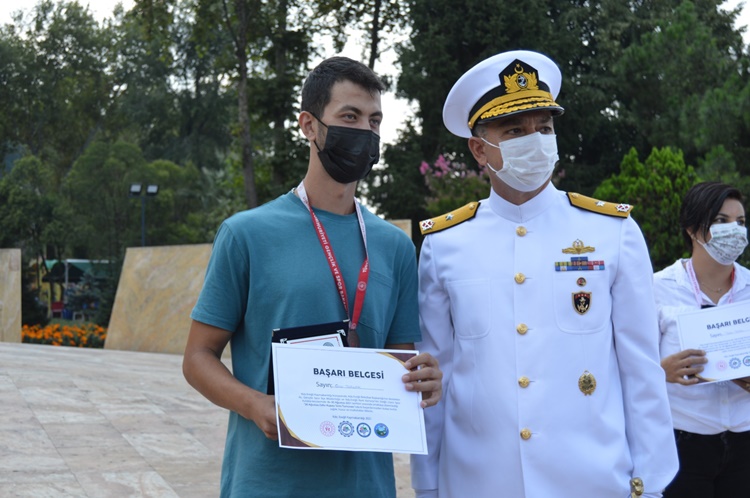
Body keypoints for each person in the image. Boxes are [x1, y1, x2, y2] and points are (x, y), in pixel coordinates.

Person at [410, 49, 678, 498]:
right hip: (480, 481)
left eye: (544, 128)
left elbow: (641, 369)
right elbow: (435, 374)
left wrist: (649, 483)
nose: (534, 140)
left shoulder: (612, 231)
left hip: (592, 479)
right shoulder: (445, 244)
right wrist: (428, 484)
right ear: (479, 149)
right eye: (515, 130)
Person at [183, 56, 442, 498]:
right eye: (350, 117)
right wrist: (255, 405)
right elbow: (197, 358)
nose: (365, 132)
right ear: (309, 125)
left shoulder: (395, 246)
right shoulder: (247, 234)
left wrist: (424, 379)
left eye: (374, 121)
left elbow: (401, 362)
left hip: (366, 486)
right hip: (266, 484)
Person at [654, 181, 750, 498]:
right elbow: (627, 365)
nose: (735, 230)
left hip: (745, 442)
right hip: (683, 443)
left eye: (740, 222)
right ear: (693, 228)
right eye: (722, 221)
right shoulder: (657, 289)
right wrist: (661, 370)